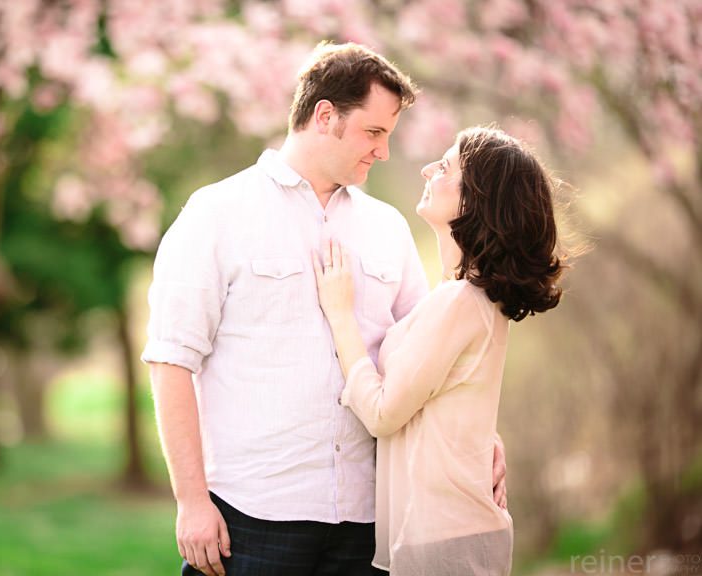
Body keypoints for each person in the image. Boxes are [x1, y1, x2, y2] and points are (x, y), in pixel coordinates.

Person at [141, 42, 508, 576]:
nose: (383, 152)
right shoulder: (217, 214)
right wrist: (192, 501)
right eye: (374, 133)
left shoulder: (388, 228)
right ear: (325, 115)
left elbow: (430, 357)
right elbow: (171, 360)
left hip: (368, 524)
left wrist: (481, 437)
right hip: (252, 516)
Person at [312, 126, 565, 575]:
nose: (428, 169)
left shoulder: (461, 301)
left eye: (445, 166)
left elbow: (384, 413)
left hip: (448, 540)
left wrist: (340, 314)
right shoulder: (460, 297)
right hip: (447, 532)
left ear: (474, 201)